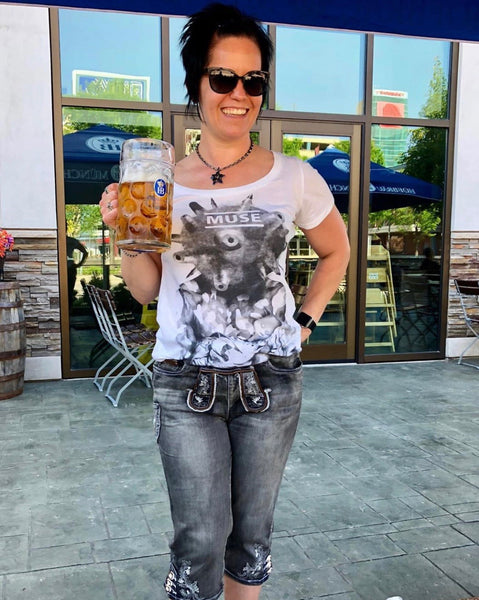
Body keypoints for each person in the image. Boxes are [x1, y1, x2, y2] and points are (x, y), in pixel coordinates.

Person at [100, 4, 350, 599]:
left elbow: (336, 254)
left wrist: (305, 322)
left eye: (253, 81)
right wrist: (123, 234)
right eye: (223, 78)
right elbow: (143, 288)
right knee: (199, 543)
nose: (239, 94)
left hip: (271, 381)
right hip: (185, 381)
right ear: (197, 83)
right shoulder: (160, 181)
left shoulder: (295, 177)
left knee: (251, 538)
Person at [66, 233, 88, 307]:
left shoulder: (70, 241)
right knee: (69, 292)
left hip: (69, 268)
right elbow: (85, 252)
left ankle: (68, 311)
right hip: (70, 268)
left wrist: (79, 264)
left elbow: (85, 252)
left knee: (67, 292)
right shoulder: (71, 241)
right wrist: (79, 264)